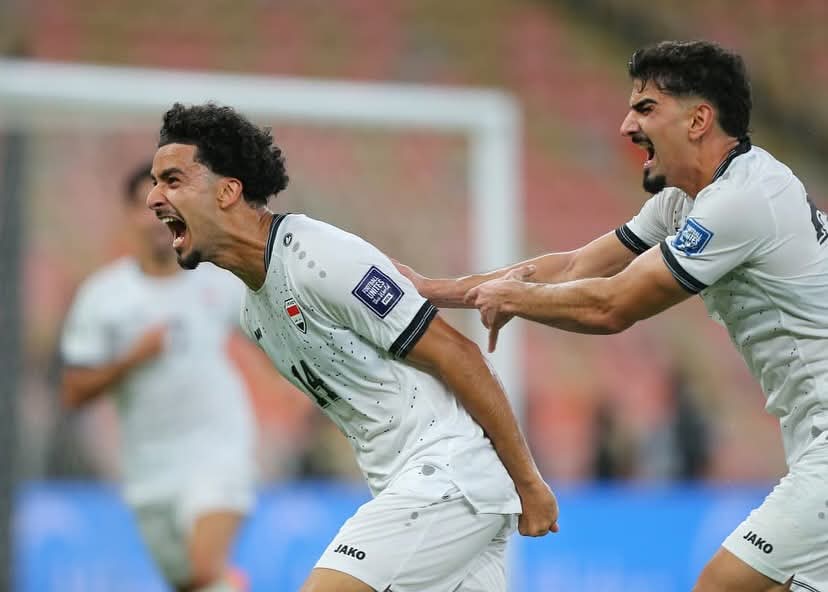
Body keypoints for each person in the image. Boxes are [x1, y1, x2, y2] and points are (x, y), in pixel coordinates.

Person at [397, 40, 828, 592]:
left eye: (646, 108)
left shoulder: (742, 201)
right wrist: (431, 291)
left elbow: (612, 305)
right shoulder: (686, 201)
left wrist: (513, 299)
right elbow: (577, 266)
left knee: (724, 585)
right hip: (808, 438)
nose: (627, 125)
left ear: (699, 119)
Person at [146, 102, 558, 592]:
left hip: (447, 479)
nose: (153, 198)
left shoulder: (319, 257)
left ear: (228, 190)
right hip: (422, 492)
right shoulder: (253, 314)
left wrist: (529, 482)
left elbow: (459, 356)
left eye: (172, 180)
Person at [61, 163, 259, 592]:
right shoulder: (104, 297)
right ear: (129, 214)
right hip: (147, 467)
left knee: (206, 568)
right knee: (196, 583)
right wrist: (132, 359)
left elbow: (272, 336)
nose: (156, 219)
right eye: (145, 207)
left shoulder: (217, 280)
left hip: (217, 448)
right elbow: (74, 391)